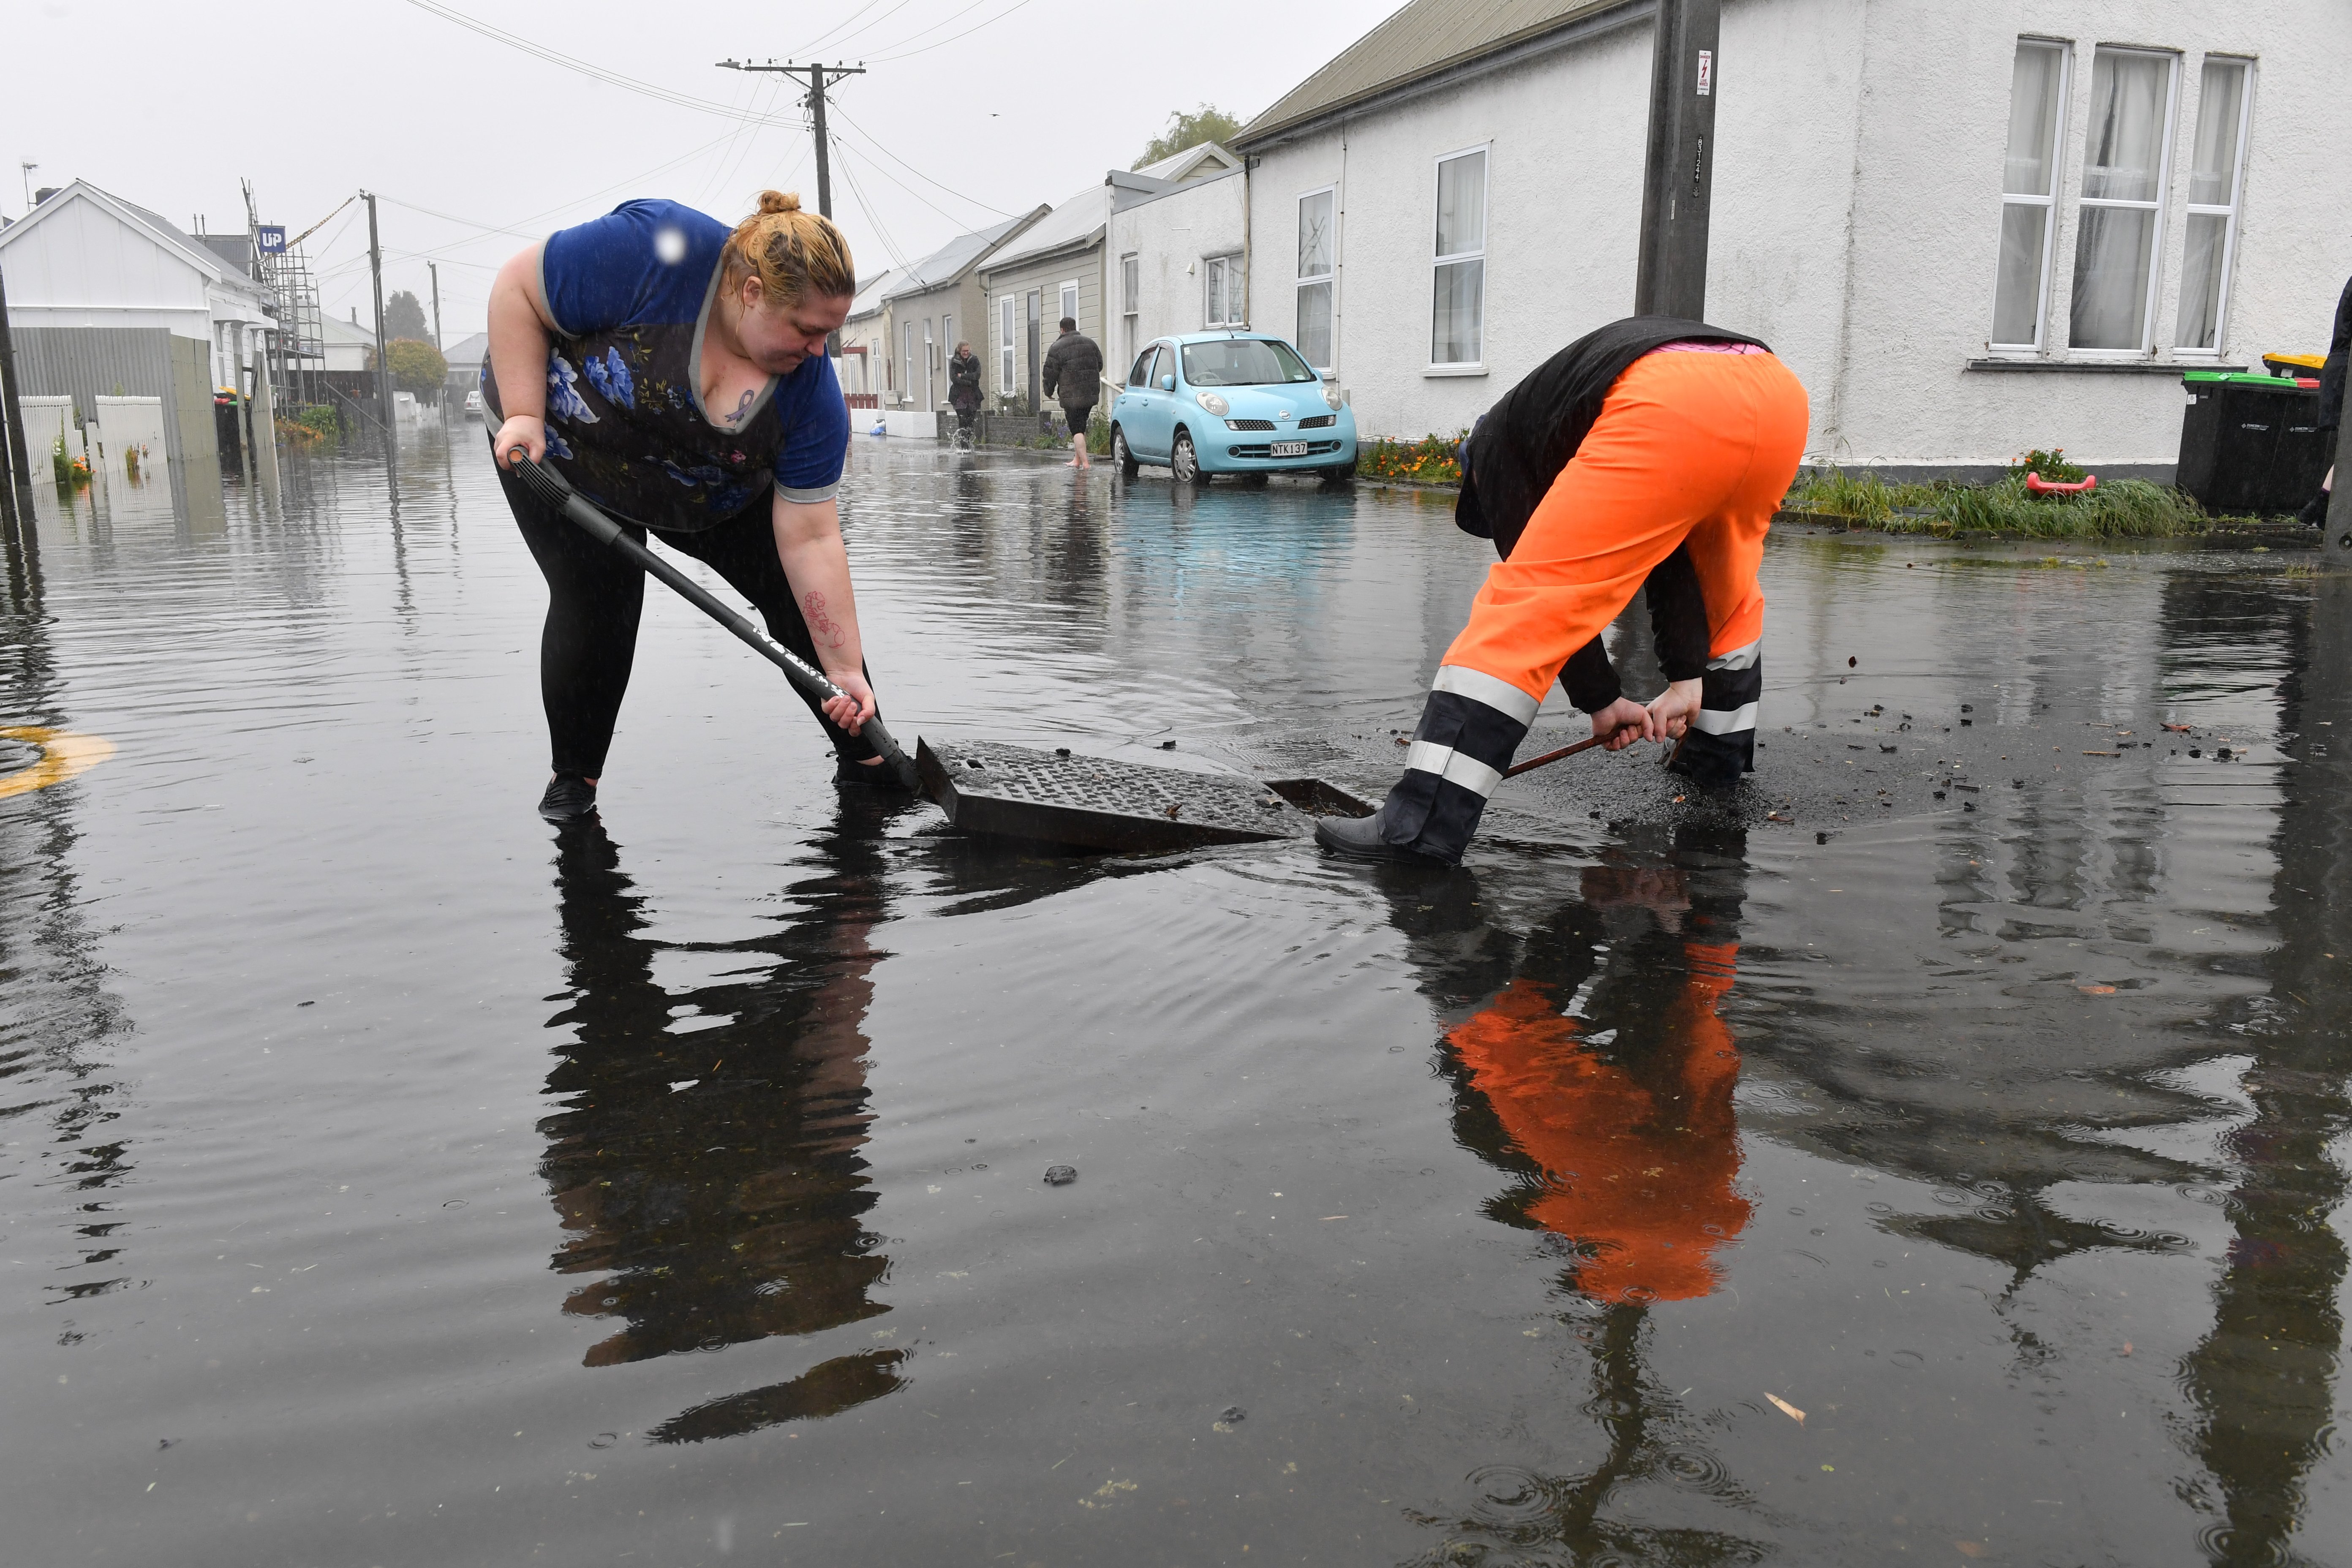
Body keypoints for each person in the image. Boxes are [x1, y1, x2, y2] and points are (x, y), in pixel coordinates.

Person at [1316, 316, 1810, 866]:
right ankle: (1714, 772)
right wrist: (1683, 679)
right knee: (1729, 597)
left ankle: (1413, 831)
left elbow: (1554, 606)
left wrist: (1599, 698)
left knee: (1523, 613)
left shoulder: (1497, 449)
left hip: (1668, 397)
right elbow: (1675, 556)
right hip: (1776, 395)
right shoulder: (1557, 420)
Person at [484, 190, 901, 822]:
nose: (821, 351)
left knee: (794, 600)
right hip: (563, 447)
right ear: (752, 292)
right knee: (600, 596)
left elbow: (811, 540)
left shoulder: (811, 398)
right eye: (809, 330)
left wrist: (844, 668)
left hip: (703, 483)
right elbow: (516, 290)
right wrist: (522, 412)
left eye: (831, 332)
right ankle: (573, 788)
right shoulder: (656, 252)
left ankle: (872, 767)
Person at [2300, 272, 2350, 527]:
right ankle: (2319, 509)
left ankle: (2319, 509)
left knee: (2347, 451)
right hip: (2346, 375)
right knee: (2348, 451)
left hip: (2341, 371)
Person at [1039, 315, 1102, 470]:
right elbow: (1099, 365)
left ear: (1062, 329)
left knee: (1077, 429)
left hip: (1071, 395)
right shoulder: (1091, 344)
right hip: (1090, 393)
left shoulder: (1057, 347)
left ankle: (1086, 463)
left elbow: (1050, 373)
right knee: (1082, 425)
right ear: (1075, 327)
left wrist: (1048, 391)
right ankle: (1077, 460)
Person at [946, 339, 982, 443]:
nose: (966, 353)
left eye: (968, 351)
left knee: (971, 422)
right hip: (959, 396)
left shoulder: (975, 360)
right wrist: (969, 382)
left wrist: (963, 376)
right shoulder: (954, 362)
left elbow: (977, 375)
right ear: (959, 351)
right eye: (964, 351)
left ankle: (968, 441)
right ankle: (964, 446)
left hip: (973, 395)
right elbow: (954, 378)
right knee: (963, 420)